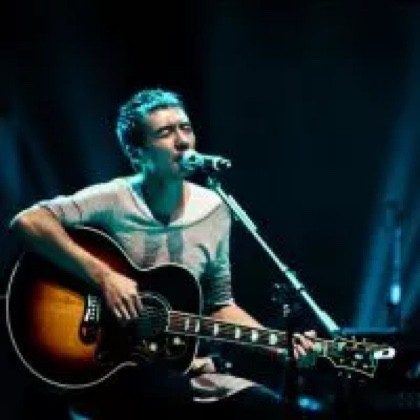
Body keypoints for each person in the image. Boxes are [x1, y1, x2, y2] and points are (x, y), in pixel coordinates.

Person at [9, 88, 317, 419]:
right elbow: (28, 221)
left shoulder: (215, 209)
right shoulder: (114, 199)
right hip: (106, 364)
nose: (182, 141)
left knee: (270, 409)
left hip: (176, 367)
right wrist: (104, 277)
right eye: (165, 132)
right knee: (169, 394)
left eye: (186, 128)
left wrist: (275, 345)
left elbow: (219, 305)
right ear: (137, 153)